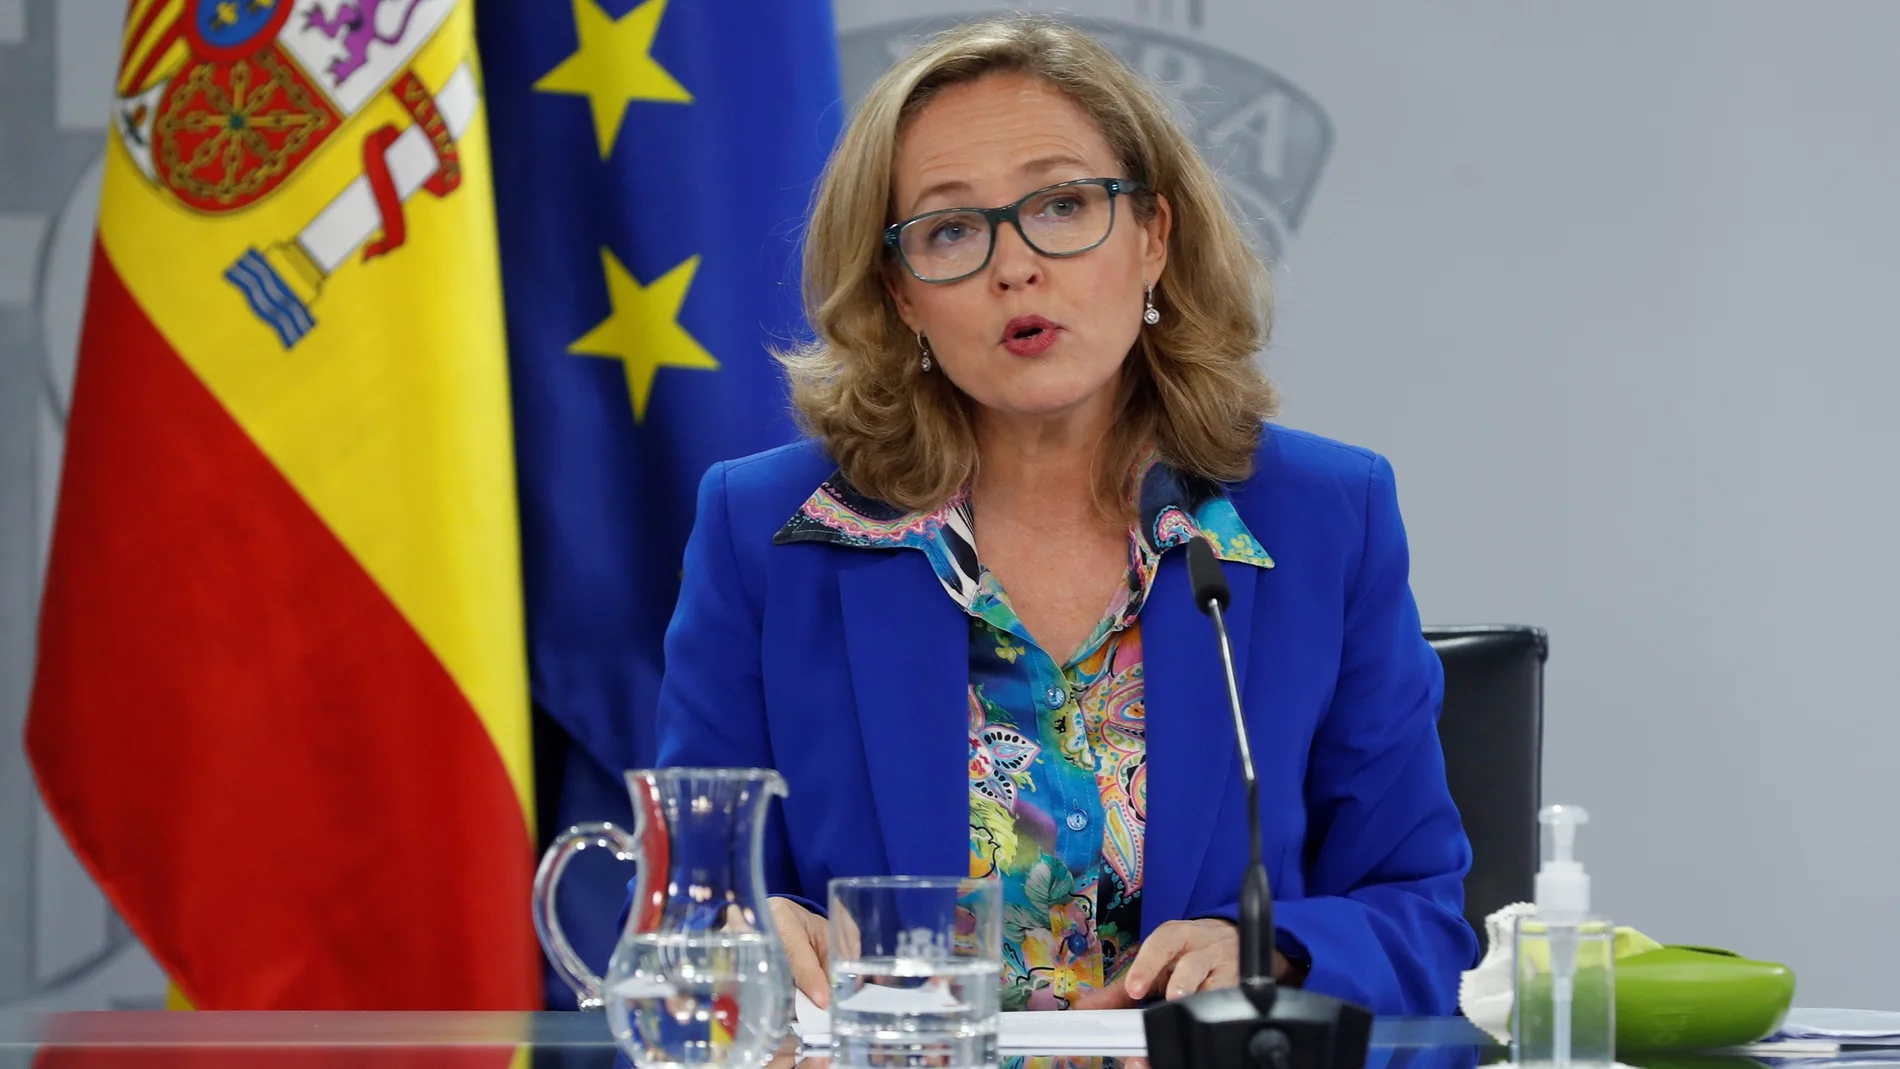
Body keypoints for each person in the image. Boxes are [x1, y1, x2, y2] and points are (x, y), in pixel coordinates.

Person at [652, 14, 1477, 1016]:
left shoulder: (1320, 522)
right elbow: (684, 913)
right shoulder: (766, 533)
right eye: (951, 229)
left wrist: (1277, 951)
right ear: (902, 295)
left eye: (1062, 204)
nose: (1015, 266)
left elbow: (1419, 910)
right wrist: (746, 933)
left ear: (1153, 240)